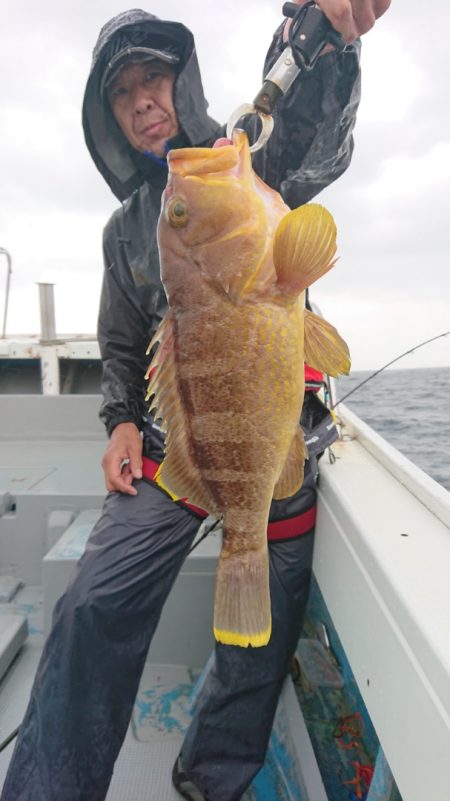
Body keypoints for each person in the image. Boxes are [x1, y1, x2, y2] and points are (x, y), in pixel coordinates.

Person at [1, 2, 390, 800]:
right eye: (123, 94)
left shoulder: (246, 162)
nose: (144, 100)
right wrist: (116, 423)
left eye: (156, 78)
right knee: (92, 603)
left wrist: (330, 43)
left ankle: (211, 772)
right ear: (109, 118)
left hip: (274, 428)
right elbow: (118, 345)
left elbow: (316, 136)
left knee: (268, 614)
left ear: (187, 82)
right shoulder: (121, 231)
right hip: (177, 446)